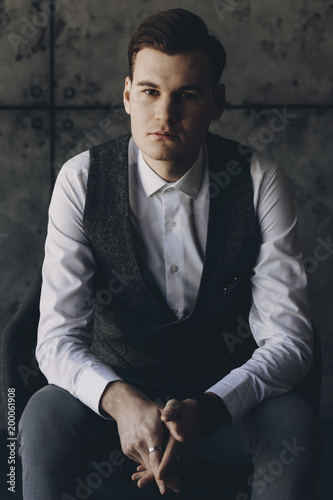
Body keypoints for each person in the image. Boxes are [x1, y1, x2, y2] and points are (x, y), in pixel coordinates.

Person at [18, 8, 319, 500]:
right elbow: (55, 340)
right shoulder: (81, 180)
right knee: (43, 419)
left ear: (217, 101)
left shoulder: (259, 179)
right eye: (150, 92)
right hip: (116, 390)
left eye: (188, 95)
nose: (164, 114)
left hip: (225, 400)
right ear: (127, 94)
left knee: (294, 424)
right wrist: (118, 400)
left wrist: (212, 406)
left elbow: (290, 342)